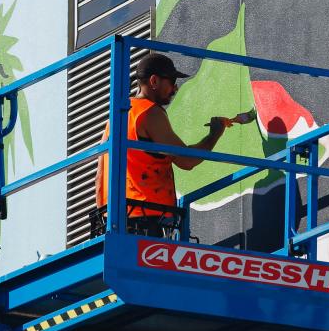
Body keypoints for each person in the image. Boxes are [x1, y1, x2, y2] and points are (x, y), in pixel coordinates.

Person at [94, 53, 230, 237]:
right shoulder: (149, 113)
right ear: (154, 81)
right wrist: (214, 134)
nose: (175, 89)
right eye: (172, 81)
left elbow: (100, 176)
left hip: (116, 221)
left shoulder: (115, 120)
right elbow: (186, 161)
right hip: (145, 219)